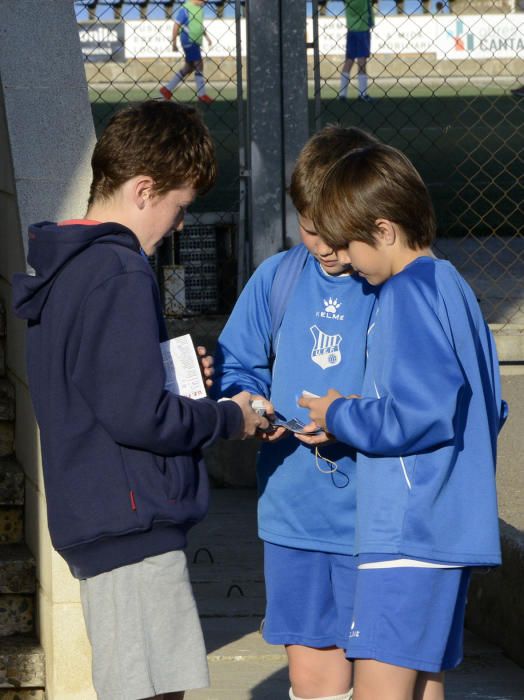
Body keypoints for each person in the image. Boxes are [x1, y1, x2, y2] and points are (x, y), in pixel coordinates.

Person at [12, 100, 269, 700]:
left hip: (101, 511)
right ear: (145, 190)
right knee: (152, 691)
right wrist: (227, 416)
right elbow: (137, 414)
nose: (180, 225)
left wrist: (175, 376)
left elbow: (99, 386)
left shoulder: (73, 264)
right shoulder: (120, 269)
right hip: (130, 519)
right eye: (180, 208)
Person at [298, 143, 507, 700]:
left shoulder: (406, 294)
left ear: (385, 230)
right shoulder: (451, 285)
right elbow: (490, 404)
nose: (343, 257)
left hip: (409, 533)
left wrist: (340, 413)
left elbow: (421, 413)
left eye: (348, 243)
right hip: (446, 527)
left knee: (381, 689)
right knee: (423, 683)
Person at [212, 126, 380, 700]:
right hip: (294, 517)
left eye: (339, 232)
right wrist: (251, 404)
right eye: (312, 229)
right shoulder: (277, 278)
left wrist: (354, 416)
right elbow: (240, 363)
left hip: (375, 522)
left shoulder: (393, 284)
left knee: (386, 671)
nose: (326, 246)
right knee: (312, 676)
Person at [160, 0, 214, 104]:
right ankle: (201, 94)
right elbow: (176, 25)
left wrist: (207, 37)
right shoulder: (185, 8)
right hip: (189, 40)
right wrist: (174, 43)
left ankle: (167, 90)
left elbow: (199, 26)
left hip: (196, 41)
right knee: (199, 64)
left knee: (188, 67)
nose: (205, 1)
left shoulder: (200, 9)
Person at [338, 0, 375, 102]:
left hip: (351, 29)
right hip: (362, 29)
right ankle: (362, 93)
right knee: (362, 60)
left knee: (349, 60)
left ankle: (342, 94)